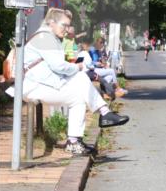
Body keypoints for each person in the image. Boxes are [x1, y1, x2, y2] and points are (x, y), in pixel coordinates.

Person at [20, 9, 129, 155]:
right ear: (51, 23)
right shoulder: (45, 38)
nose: (67, 29)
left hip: (41, 83)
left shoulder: (48, 36)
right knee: (80, 77)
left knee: (78, 97)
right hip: (34, 86)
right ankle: (104, 113)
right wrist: (77, 67)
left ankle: (74, 141)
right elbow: (59, 66)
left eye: (68, 26)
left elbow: (57, 66)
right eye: (64, 25)